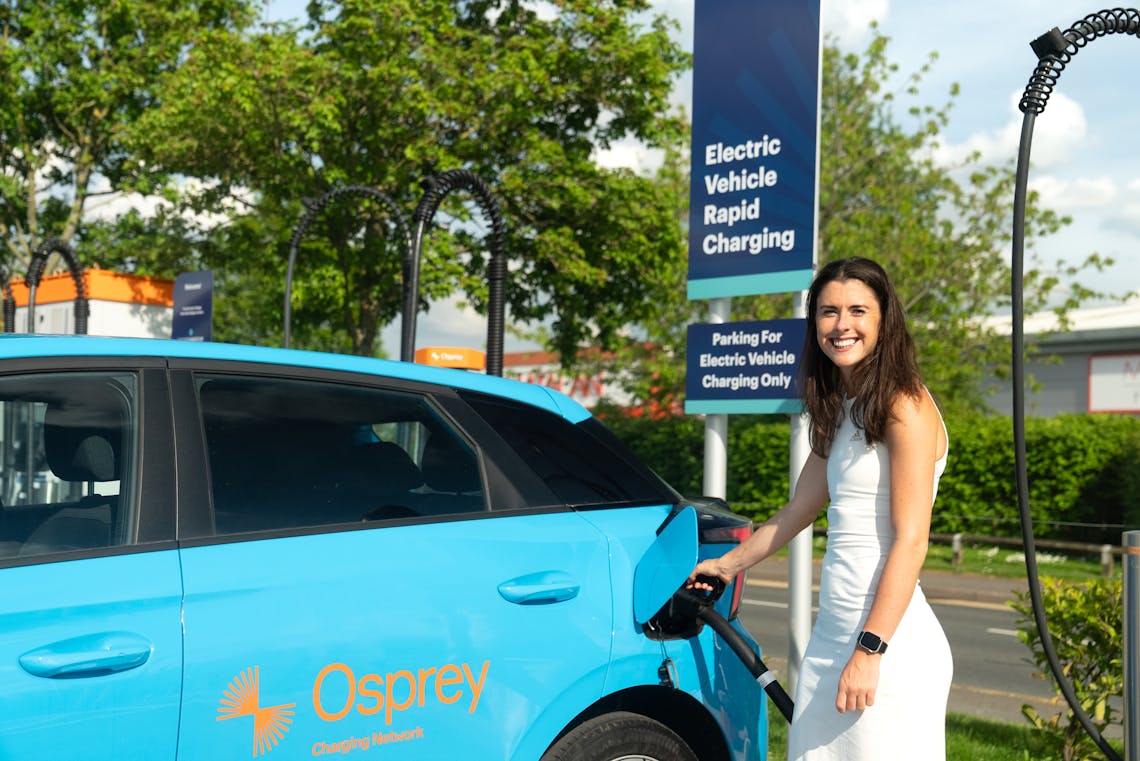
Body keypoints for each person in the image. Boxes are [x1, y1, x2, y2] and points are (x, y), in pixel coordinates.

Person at [689, 257, 952, 759]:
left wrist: (870, 651)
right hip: (833, 632)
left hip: (886, 643)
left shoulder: (904, 405)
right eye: (829, 312)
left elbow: (912, 539)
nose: (842, 325)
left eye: (858, 310)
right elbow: (796, 513)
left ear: (884, 319)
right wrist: (723, 567)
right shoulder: (842, 409)